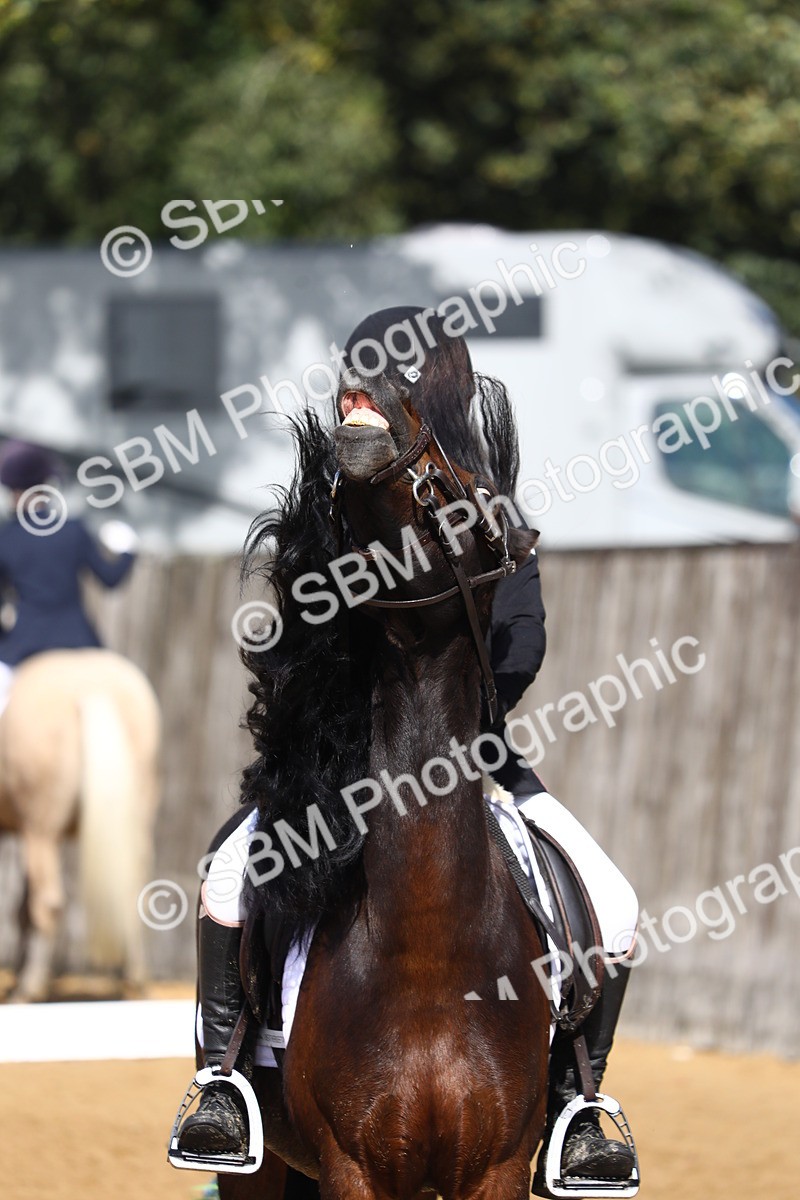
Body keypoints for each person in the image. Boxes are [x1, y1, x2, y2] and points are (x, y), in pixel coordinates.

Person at [174, 309, 639, 1196]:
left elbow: (523, 643)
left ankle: (581, 1105)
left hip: (478, 762)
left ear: (429, 389)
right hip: (343, 768)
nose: (355, 392)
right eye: (351, 377)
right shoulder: (339, 514)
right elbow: (297, 630)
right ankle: (223, 1085)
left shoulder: (491, 518)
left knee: (614, 907)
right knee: (229, 877)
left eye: (376, 376)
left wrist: (464, 693)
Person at [0, 440, 137, 713]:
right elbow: (110, 579)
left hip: (25, 644)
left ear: (14, 490)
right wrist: (128, 549)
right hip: (81, 643)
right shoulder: (74, 529)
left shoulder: (5, 538)